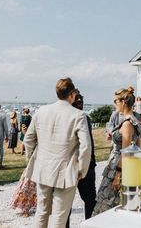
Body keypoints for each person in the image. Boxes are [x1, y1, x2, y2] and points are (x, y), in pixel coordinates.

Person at [23, 78, 91, 228]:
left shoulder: (41, 111)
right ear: (72, 94)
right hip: (65, 171)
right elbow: (86, 146)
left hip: (42, 168)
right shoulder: (78, 115)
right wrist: (82, 170)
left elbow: (28, 140)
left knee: (42, 212)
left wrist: (32, 160)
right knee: (60, 217)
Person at [93, 86, 141, 215]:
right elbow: (138, 146)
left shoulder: (127, 123)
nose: (115, 104)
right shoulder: (135, 120)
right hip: (126, 165)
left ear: (123, 102)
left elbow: (126, 151)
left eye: (116, 101)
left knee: (106, 204)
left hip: (117, 166)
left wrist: (118, 175)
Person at [66, 91, 97, 226]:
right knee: (66, 203)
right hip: (69, 166)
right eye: (77, 99)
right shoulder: (66, 118)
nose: (80, 101)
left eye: (82, 99)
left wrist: (91, 163)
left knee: (90, 200)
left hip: (87, 166)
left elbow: (89, 144)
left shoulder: (86, 118)